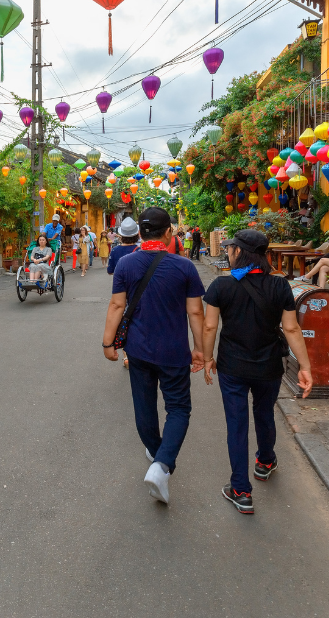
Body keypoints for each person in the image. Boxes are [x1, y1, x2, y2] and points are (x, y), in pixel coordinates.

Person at [202, 229, 313, 514]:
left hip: (232, 367)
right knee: (264, 413)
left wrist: (207, 358)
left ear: (239, 252)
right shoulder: (280, 287)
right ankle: (265, 461)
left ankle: (240, 490)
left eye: (230, 248)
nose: (227, 251)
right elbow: (291, 328)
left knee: (236, 423)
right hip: (268, 366)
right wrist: (305, 366)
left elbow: (210, 326)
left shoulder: (221, 287)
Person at [102, 207, 206, 505]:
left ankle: (157, 453)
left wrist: (108, 344)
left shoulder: (126, 265)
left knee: (144, 405)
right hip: (174, 351)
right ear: (169, 231)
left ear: (139, 234)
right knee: (178, 409)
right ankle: (161, 465)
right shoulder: (184, 267)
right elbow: (195, 311)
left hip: (138, 350)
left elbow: (116, 306)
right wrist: (200, 349)